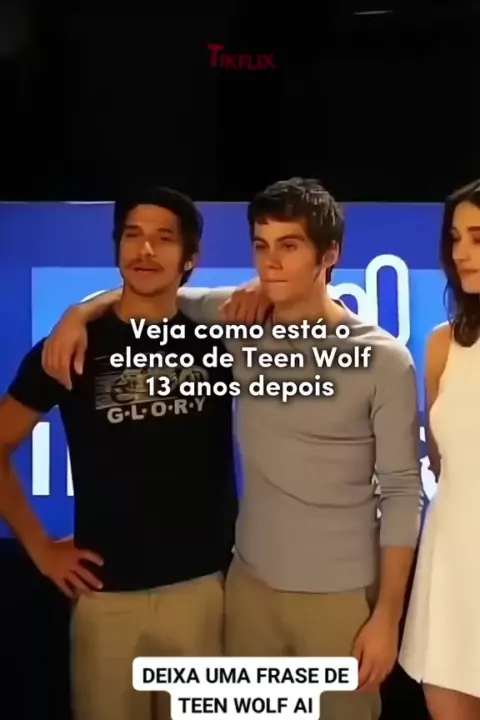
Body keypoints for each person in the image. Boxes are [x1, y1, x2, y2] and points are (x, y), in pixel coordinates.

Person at [42, 177, 423, 720]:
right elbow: (147, 294)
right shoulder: (238, 321)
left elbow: (404, 492)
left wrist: (387, 616)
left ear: (330, 254)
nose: (271, 263)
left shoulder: (383, 360)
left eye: (289, 246)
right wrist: (75, 315)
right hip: (249, 594)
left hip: (340, 599)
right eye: (262, 246)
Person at [0, 186, 238, 720]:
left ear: (190, 258)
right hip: (105, 603)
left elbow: (292, 297)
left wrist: (82, 306)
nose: (145, 250)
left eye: (163, 238)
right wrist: (39, 549)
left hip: (202, 594)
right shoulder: (68, 349)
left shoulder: (217, 344)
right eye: (133, 235)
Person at [399, 180, 480, 720]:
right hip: (451, 569)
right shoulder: (441, 344)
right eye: (455, 237)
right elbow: (439, 462)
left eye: (477, 237)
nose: (460, 252)